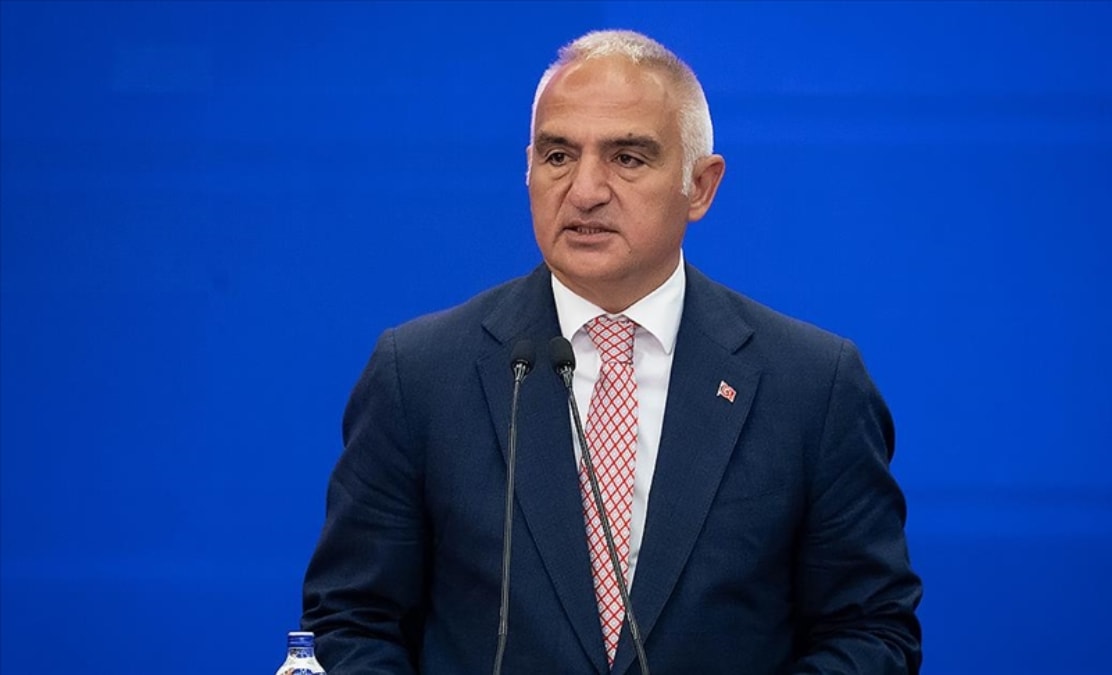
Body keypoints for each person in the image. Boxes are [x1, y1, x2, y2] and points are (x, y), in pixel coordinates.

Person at [301, 29, 922, 674]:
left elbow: (871, 630)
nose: (585, 190)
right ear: (528, 169)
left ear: (700, 186)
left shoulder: (812, 385)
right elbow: (351, 622)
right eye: (558, 155)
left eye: (627, 157)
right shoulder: (420, 374)